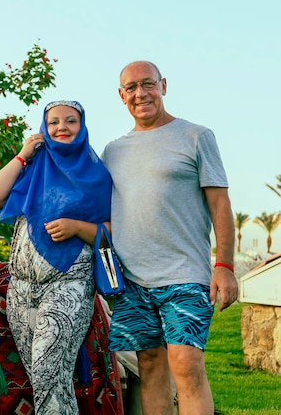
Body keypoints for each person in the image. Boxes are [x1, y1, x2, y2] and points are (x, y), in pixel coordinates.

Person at [102, 61, 238, 415]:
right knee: (147, 367)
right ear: (121, 96)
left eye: (147, 84)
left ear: (163, 85)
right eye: (131, 88)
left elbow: (220, 204)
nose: (140, 93)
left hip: (185, 273)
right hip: (132, 279)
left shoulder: (196, 136)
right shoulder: (113, 151)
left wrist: (224, 265)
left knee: (186, 363)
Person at [0, 100, 113, 414]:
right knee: (41, 377)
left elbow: (115, 229)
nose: (61, 127)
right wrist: (23, 155)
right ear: (43, 128)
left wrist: (77, 226)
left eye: (70, 121)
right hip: (21, 289)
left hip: (68, 285)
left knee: (48, 372)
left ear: (83, 126)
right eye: (53, 122)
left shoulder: (97, 175)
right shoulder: (32, 167)